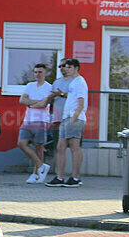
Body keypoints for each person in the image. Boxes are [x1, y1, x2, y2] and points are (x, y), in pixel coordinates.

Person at [46, 58, 88, 187]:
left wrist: (74, 118)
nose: (66, 69)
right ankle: (59, 177)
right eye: (65, 67)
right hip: (66, 118)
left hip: (73, 118)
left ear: (76, 68)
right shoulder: (73, 83)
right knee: (60, 147)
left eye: (69, 67)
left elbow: (81, 104)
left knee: (75, 147)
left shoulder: (80, 82)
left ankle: (75, 178)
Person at [18, 63, 53, 183]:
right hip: (28, 120)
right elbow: (22, 100)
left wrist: (30, 103)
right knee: (21, 143)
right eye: (36, 72)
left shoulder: (49, 87)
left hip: (41, 120)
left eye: (40, 72)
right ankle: (41, 165)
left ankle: (36, 173)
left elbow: (44, 104)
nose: (37, 74)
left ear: (45, 73)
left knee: (39, 147)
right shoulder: (30, 85)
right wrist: (37, 102)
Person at [48, 61, 72, 150]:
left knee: (70, 146)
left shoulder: (75, 81)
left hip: (70, 118)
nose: (61, 68)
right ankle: (58, 163)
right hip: (57, 119)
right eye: (59, 66)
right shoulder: (56, 82)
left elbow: (77, 97)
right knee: (57, 146)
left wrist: (61, 94)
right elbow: (51, 98)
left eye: (64, 66)